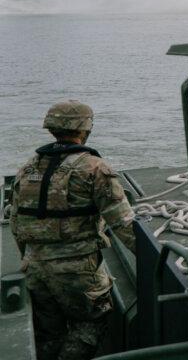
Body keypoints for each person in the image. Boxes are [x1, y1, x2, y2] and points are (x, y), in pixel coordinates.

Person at [9, 100, 137, 360]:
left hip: (35, 267)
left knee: (49, 333)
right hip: (78, 270)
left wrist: (31, 257)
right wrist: (159, 262)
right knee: (89, 325)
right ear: (85, 129)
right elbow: (124, 227)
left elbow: (16, 224)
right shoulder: (95, 168)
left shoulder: (27, 168)